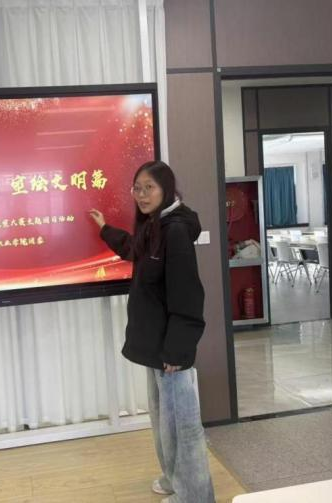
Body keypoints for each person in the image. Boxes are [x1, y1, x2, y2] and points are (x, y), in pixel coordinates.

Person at [89, 160, 215, 503]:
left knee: (183, 428)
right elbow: (134, 250)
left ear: (167, 190)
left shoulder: (175, 231)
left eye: (150, 188)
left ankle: (196, 497)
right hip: (156, 346)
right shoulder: (154, 225)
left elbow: (188, 295)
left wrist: (177, 351)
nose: (142, 195)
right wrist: (105, 229)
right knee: (164, 422)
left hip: (171, 350)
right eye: (137, 188)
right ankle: (176, 480)